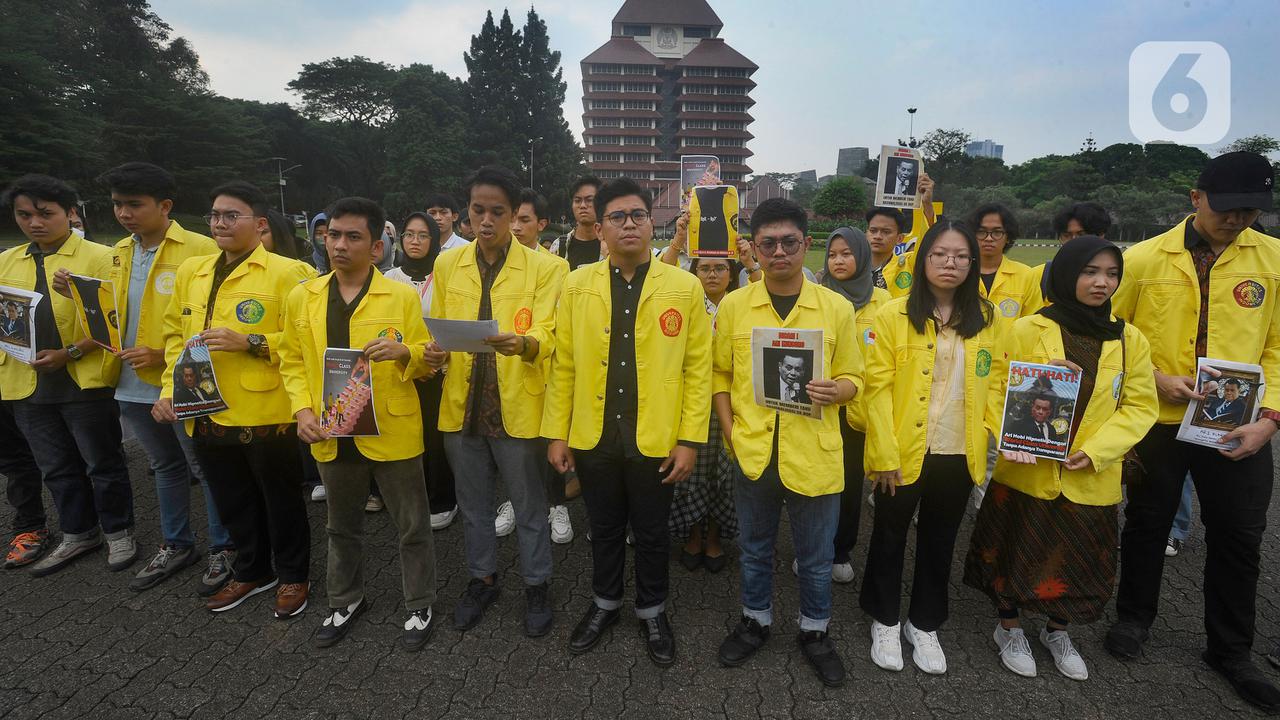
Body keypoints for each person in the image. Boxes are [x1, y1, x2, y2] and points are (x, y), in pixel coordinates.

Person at [1107, 151, 1280, 712]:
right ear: (1195, 198)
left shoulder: (1273, 260)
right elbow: (1114, 334)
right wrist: (1153, 376)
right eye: (1226, 209)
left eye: (1249, 211)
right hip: (1158, 419)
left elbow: (1278, 348)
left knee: (1238, 537)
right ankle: (1133, 618)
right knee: (1147, 521)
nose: (1235, 221)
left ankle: (1230, 650)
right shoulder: (1143, 259)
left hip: (1240, 425)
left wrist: (1269, 421)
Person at [964, 235, 1158, 681]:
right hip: (1028, 468)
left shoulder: (1130, 339)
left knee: (1078, 558)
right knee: (1017, 546)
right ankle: (1008, 627)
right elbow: (996, 386)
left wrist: (1097, 451)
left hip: (1090, 473)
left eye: (1111, 274)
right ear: (1068, 274)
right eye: (1090, 272)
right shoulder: (1031, 328)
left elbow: (1140, 405)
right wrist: (1009, 433)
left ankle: (1058, 631)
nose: (1101, 283)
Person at [543, 177, 711, 667]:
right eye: (617, 217)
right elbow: (566, 364)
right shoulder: (576, 284)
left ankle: (653, 609)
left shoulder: (683, 285)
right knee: (604, 526)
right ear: (600, 230)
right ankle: (604, 604)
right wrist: (558, 432)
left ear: (651, 223)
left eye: (638, 215)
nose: (629, 224)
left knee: (654, 531)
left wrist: (688, 440)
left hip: (655, 437)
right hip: (594, 434)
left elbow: (697, 369)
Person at [55, 162, 233, 593]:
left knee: (205, 465)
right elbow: (110, 314)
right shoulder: (117, 252)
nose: (124, 213)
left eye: (135, 204)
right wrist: (76, 295)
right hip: (130, 383)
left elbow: (213, 313)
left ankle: (225, 547)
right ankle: (177, 543)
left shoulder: (200, 249)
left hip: (185, 378)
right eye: (118, 205)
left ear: (165, 205)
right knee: (163, 465)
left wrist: (161, 352)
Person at [712, 198, 862, 687]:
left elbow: (856, 377)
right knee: (753, 549)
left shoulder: (835, 307)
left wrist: (836, 389)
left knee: (816, 557)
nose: (779, 252)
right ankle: (755, 619)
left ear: (806, 245)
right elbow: (719, 373)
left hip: (814, 452)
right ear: (754, 249)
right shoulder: (736, 305)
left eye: (789, 243)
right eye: (768, 244)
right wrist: (731, 430)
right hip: (753, 450)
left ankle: (815, 631)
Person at [278, 196, 439, 650]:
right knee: (340, 524)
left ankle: (419, 601)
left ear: (375, 248)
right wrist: (302, 411)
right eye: (333, 235)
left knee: (412, 525)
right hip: (331, 429)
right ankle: (345, 598)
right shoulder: (303, 296)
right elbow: (291, 360)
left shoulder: (401, 294)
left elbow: (428, 358)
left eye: (353, 237)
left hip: (392, 428)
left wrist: (406, 353)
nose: (339, 245)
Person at [154, 180, 315, 619]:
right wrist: (169, 388)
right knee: (231, 498)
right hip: (204, 406)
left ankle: (293, 574)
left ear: (259, 223)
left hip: (266, 409)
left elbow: (308, 338)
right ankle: (251, 569)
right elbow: (175, 336)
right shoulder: (194, 271)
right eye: (214, 215)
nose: (220, 223)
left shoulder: (289, 273)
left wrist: (252, 341)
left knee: (279, 499)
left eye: (231, 215)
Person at [860, 219, 1006, 676]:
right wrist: (883, 453)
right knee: (889, 534)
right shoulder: (893, 314)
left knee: (941, 540)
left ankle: (923, 623)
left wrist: (993, 430)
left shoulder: (988, 318)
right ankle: (884, 618)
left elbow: (999, 381)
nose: (951, 263)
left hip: (958, 452)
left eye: (962, 256)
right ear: (923, 259)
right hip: (901, 451)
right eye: (941, 254)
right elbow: (875, 389)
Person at [425, 166, 564, 638]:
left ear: (514, 215)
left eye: (497, 212)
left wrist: (524, 344)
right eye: (477, 210)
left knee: (528, 504)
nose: (486, 220)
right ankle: (482, 579)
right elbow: (439, 323)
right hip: (462, 403)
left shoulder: (547, 267)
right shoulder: (448, 264)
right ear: (467, 212)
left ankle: (537, 585)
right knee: (475, 504)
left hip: (517, 404)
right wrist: (435, 349)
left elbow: (550, 332)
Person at [0, 174, 136, 577]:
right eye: (24, 214)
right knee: (55, 466)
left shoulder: (99, 256)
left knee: (102, 462)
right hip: (26, 383)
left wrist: (69, 352)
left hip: (82, 379)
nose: (34, 222)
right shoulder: (7, 261)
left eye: (45, 213)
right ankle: (78, 532)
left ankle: (118, 530)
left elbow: (115, 321)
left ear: (70, 213)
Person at [815, 226, 890, 584]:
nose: (839, 261)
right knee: (817, 481)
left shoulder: (885, 304)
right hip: (817, 406)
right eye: (833, 254)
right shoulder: (814, 297)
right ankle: (815, 547)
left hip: (859, 410)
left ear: (862, 256)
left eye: (847, 253)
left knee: (847, 483)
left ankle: (841, 548)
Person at [384, 212, 458, 530]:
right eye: (409, 235)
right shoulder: (389, 279)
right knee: (403, 436)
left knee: (436, 438)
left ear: (434, 240)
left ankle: (443, 498)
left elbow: (452, 320)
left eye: (423, 235)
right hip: (401, 371)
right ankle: (409, 499)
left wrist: (432, 360)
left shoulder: (446, 277)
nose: (415, 241)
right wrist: (409, 362)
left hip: (437, 370)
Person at [512, 188, 575, 545]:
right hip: (509, 369)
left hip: (545, 365)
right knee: (514, 444)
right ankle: (514, 501)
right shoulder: (495, 265)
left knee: (550, 438)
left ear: (541, 224)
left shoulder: (556, 266)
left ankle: (558, 503)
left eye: (524, 219)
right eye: (513, 218)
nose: (517, 227)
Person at [670, 256, 739, 574]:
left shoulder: (741, 303)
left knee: (723, 475)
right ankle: (693, 535)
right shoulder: (684, 301)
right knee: (692, 473)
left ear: (731, 273)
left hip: (731, 401)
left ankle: (715, 537)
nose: (712, 274)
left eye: (720, 268)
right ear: (693, 272)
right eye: (704, 268)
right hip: (690, 399)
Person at [1039, 202, 1112, 298]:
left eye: (1081, 234)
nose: (1074, 241)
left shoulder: (1118, 277)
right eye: (1066, 235)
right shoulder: (1040, 275)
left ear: (1101, 235)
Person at [548, 175, 607, 270]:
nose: (583, 205)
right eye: (577, 201)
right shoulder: (559, 246)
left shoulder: (612, 246)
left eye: (589, 200)